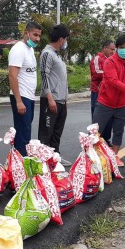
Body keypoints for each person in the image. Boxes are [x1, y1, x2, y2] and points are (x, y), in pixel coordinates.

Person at [92, 34, 125, 167]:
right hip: (105, 103)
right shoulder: (110, 61)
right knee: (95, 132)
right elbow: (114, 82)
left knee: (118, 132)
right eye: (121, 47)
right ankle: (91, 158)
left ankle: (114, 157)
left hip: (121, 105)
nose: (124, 50)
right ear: (116, 48)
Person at [38, 24, 72, 166]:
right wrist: (50, 98)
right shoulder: (47, 53)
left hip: (61, 100)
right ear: (61, 39)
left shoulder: (57, 55)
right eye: (66, 39)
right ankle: (43, 161)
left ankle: (55, 158)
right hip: (50, 100)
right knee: (46, 133)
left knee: (57, 132)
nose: (66, 42)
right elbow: (44, 76)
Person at [8, 22, 42, 156]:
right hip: (21, 97)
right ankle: (20, 163)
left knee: (26, 131)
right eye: (34, 35)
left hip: (29, 96)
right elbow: (12, 76)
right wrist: (18, 101)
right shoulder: (18, 50)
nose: (37, 38)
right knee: (23, 132)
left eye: (39, 36)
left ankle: (19, 161)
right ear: (26, 33)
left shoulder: (30, 49)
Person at [90, 40, 116, 145]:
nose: (113, 51)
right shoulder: (98, 58)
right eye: (111, 49)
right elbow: (96, 72)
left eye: (114, 49)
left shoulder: (110, 60)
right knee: (97, 118)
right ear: (105, 48)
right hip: (97, 92)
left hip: (108, 93)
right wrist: (110, 73)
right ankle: (95, 141)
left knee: (109, 117)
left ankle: (105, 139)